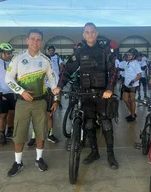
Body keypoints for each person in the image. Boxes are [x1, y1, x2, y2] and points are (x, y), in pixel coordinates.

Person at [53, 22, 119, 170]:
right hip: (86, 95)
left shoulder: (105, 51)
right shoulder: (79, 52)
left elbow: (114, 71)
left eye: (92, 32)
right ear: (84, 35)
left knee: (106, 125)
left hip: (102, 95)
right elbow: (67, 70)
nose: (90, 35)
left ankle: (110, 155)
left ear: (96, 33)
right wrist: (59, 86)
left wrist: (109, 89)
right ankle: (94, 152)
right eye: (87, 32)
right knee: (88, 124)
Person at [5, 29, 57, 176]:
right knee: (19, 134)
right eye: (33, 39)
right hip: (22, 103)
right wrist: (21, 91)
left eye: (39, 39)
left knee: (41, 132)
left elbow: (53, 81)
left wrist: (56, 98)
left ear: (42, 42)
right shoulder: (17, 58)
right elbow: (8, 78)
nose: (36, 42)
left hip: (41, 102)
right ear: (27, 40)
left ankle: (39, 159)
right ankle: (18, 162)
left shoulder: (46, 60)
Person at [0, 43, 16, 146]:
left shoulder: (13, 62)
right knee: (3, 115)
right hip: (2, 93)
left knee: (12, 113)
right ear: (1, 53)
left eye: (11, 53)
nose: (10, 55)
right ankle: (2, 135)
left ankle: (10, 130)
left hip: (13, 92)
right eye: (8, 53)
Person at [123, 48, 142, 122]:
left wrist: (133, 81)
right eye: (127, 54)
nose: (128, 56)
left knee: (131, 100)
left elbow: (139, 75)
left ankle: (133, 116)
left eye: (129, 55)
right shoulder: (127, 63)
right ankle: (132, 113)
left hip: (133, 85)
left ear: (134, 56)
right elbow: (127, 73)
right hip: (126, 84)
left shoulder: (135, 63)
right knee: (125, 100)